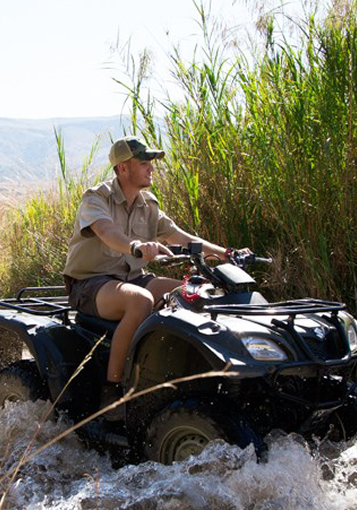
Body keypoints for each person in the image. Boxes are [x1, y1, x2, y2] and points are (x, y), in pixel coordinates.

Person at [62, 135, 245, 403]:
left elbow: (182, 237)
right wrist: (135, 245)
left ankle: (190, 372)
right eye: (144, 162)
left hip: (133, 278)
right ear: (123, 168)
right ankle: (113, 392)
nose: (151, 167)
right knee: (141, 301)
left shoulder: (148, 204)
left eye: (151, 162)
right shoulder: (96, 198)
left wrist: (226, 253)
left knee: (199, 292)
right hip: (90, 284)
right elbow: (106, 231)